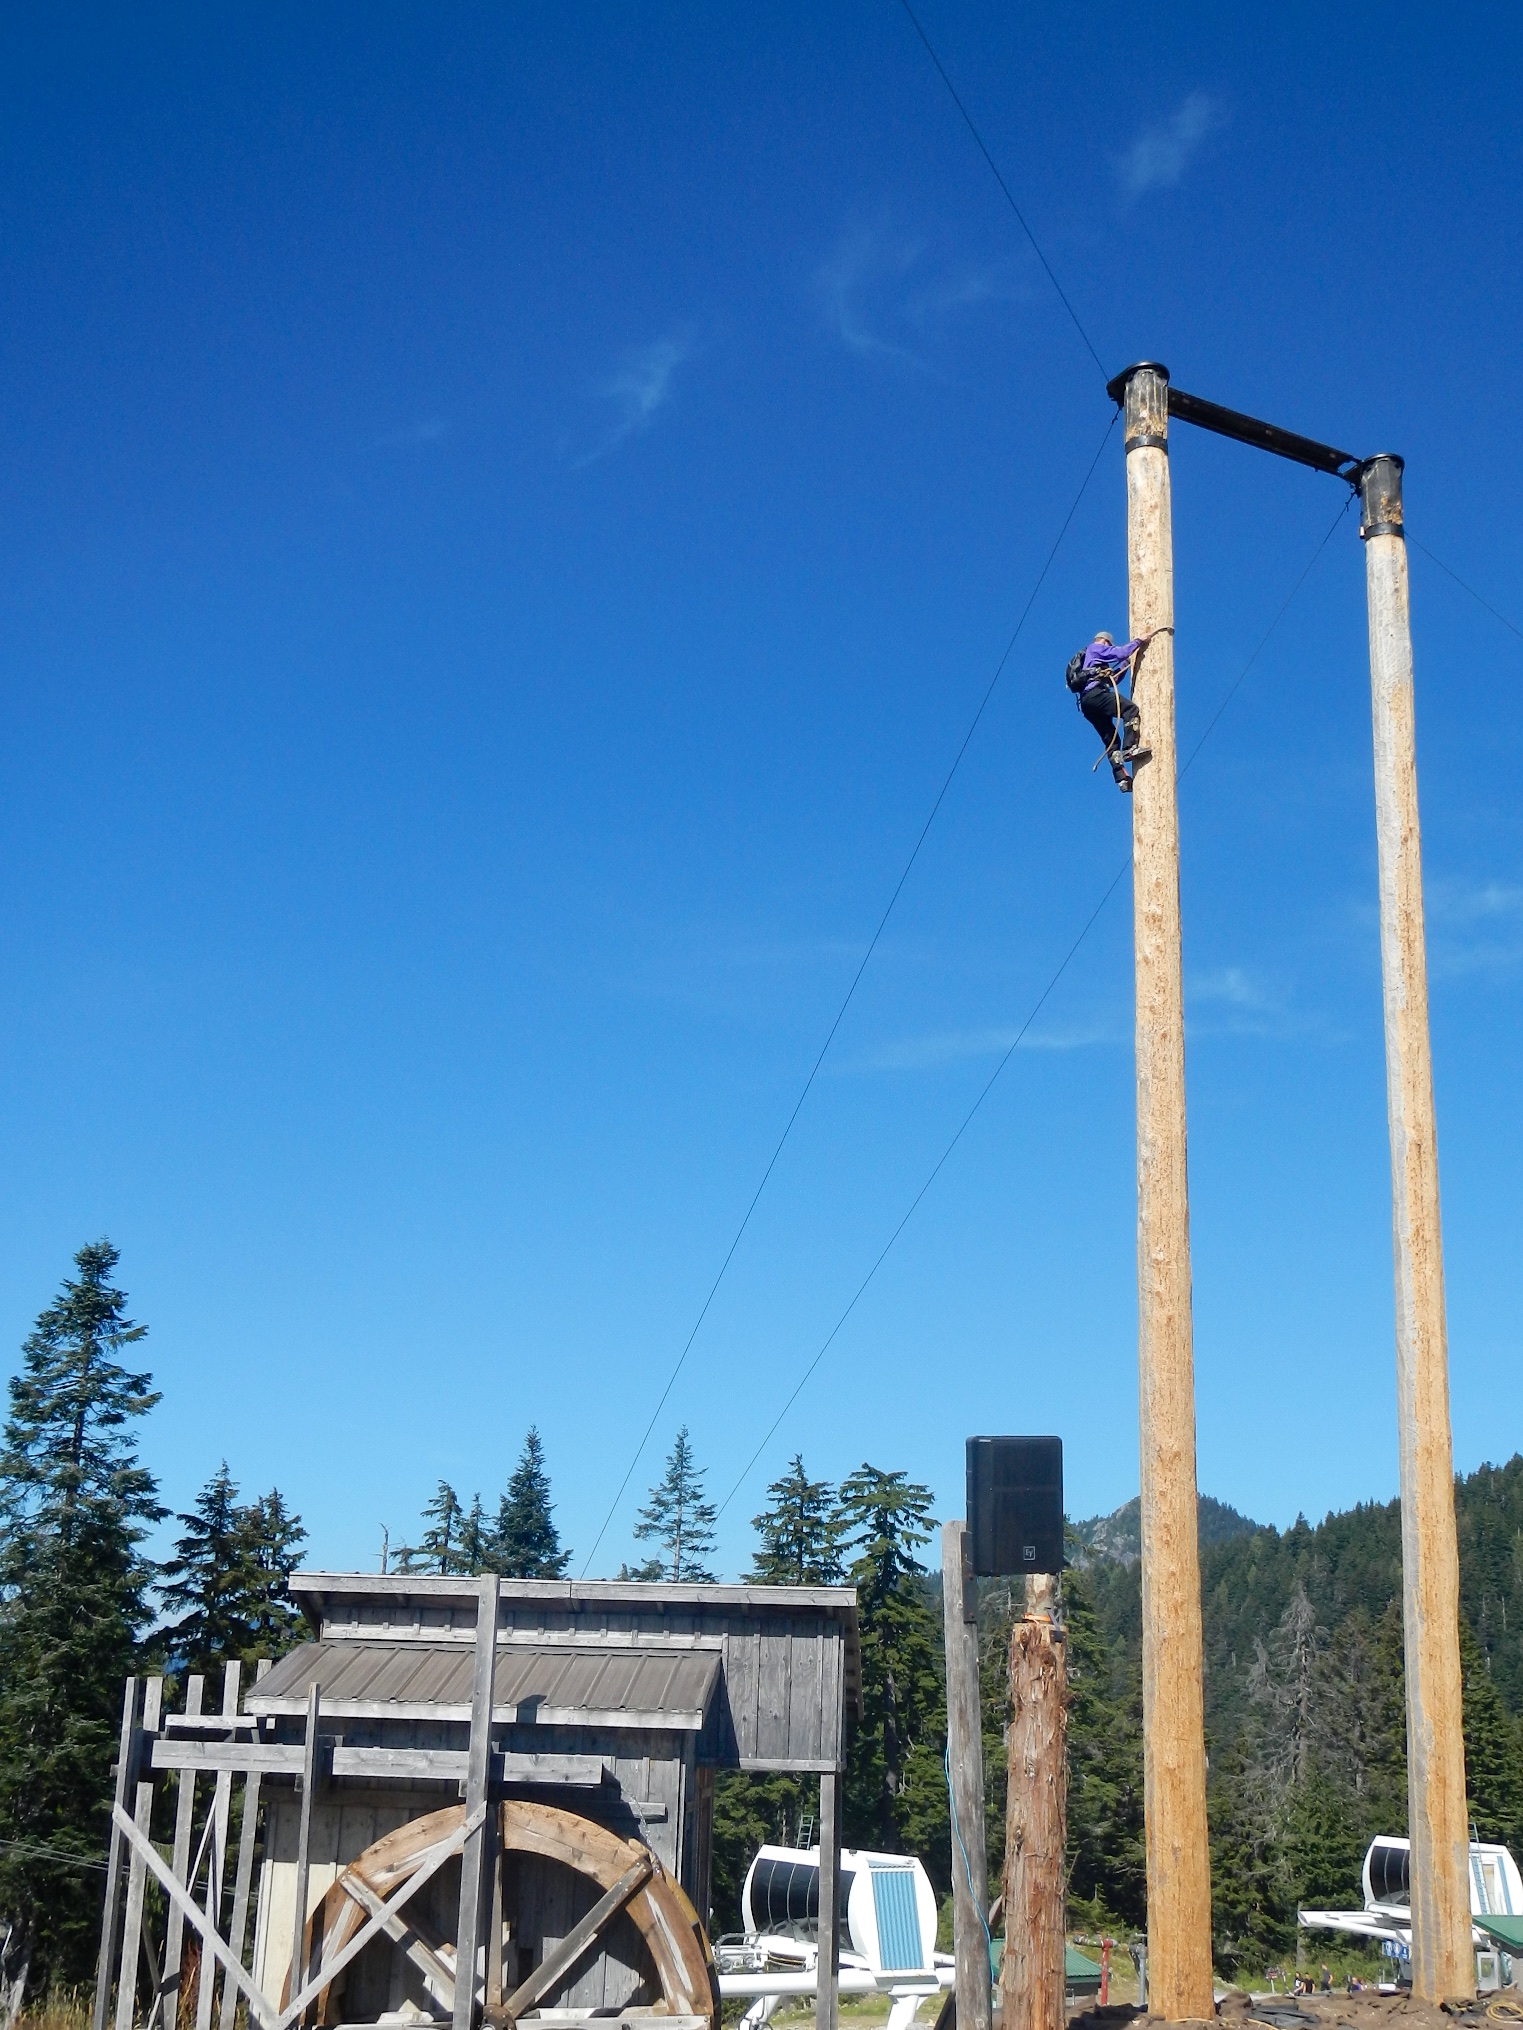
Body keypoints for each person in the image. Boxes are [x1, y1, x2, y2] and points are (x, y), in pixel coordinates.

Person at [1065, 630, 1156, 791]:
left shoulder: (1092, 662)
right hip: (1096, 694)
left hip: (1088, 703)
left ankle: (1122, 779)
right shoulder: (1095, 648)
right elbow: (1120, 653)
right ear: (1105, 642)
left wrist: (1126, 664)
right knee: (1130, 709)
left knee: (1111, 741)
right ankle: (1130, 749)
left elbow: (1113, 678)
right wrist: (1138, 641)